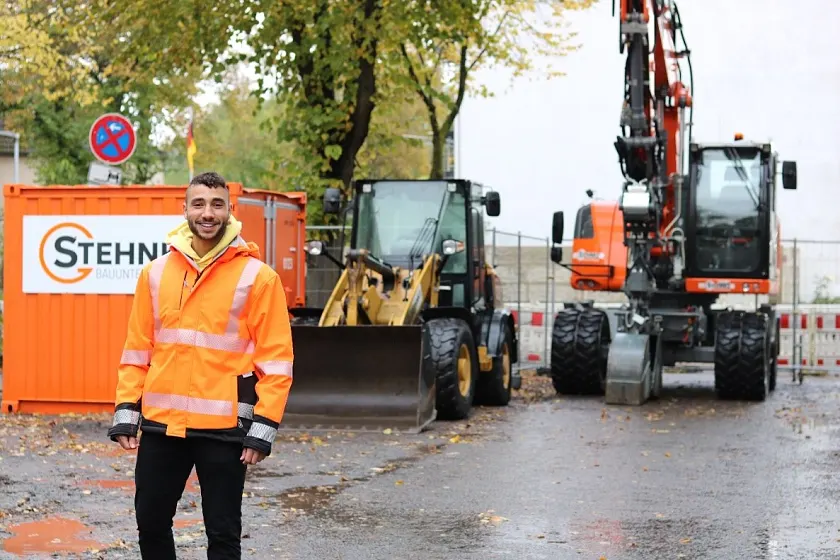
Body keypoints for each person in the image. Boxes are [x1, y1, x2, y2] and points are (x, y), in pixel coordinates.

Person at [107, 171, 294, 559]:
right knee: (151, 522)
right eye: (199, 204)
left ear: (230, 210)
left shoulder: (258, 277)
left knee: (222, 534)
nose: (207, 213)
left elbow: (276, 361)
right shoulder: (155, 273)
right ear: (185, 210)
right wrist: (127, 412)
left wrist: (263, 428)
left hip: (225, 428)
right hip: (163, 425)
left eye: (216, 204)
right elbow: (137, 349)